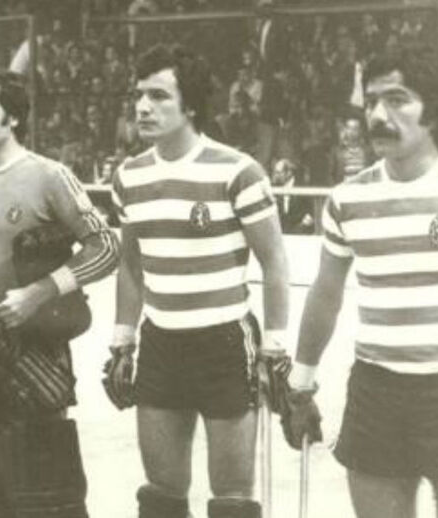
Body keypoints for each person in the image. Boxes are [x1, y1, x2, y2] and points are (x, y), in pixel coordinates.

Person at [283, 44, 438, 518]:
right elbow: (325, 294)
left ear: (432, 111)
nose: (378, 115)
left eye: (397, 100)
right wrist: (301, 382)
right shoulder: (347, 199)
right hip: (375, 392)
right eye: (372, 102)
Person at [103, 44, 291, 518]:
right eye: (139, 95)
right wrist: (123, 341)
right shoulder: (129, 177)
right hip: (161, 344)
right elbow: (131, 263)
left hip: (224, 343)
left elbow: (274, 261)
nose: (143, 107)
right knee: (161, 497)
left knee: (231, 499)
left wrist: (274, 347)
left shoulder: (238, 171)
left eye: (158, 96)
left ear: (190, 105)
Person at [0, 68, 119, 518]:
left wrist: (40, 292)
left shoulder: (50, 176)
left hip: (34, 354)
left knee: (45, 503)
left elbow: (107, 247)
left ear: (13, 117)